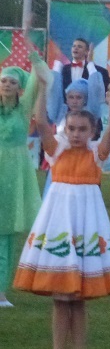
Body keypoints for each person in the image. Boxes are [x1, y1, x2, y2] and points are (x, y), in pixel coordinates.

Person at [15, 64, 110, 349]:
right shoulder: (56, 151)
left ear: (91, 131)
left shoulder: (95, 155)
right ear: (66, 129)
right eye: (72, 129)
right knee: (60, 300)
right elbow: (40, 122)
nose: (77, 134)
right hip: (59, 225)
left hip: (86, 226)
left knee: (78, 301)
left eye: (82, 130)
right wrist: (41, 87)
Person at [0, 39, 49, 308]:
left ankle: (0, 291)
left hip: (13, 176)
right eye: (3, 81)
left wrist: (30, 46)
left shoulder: (24, 107)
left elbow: (42, 77)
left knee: (5, 235)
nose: (7, 85)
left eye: (12, 82)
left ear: (19, 87)